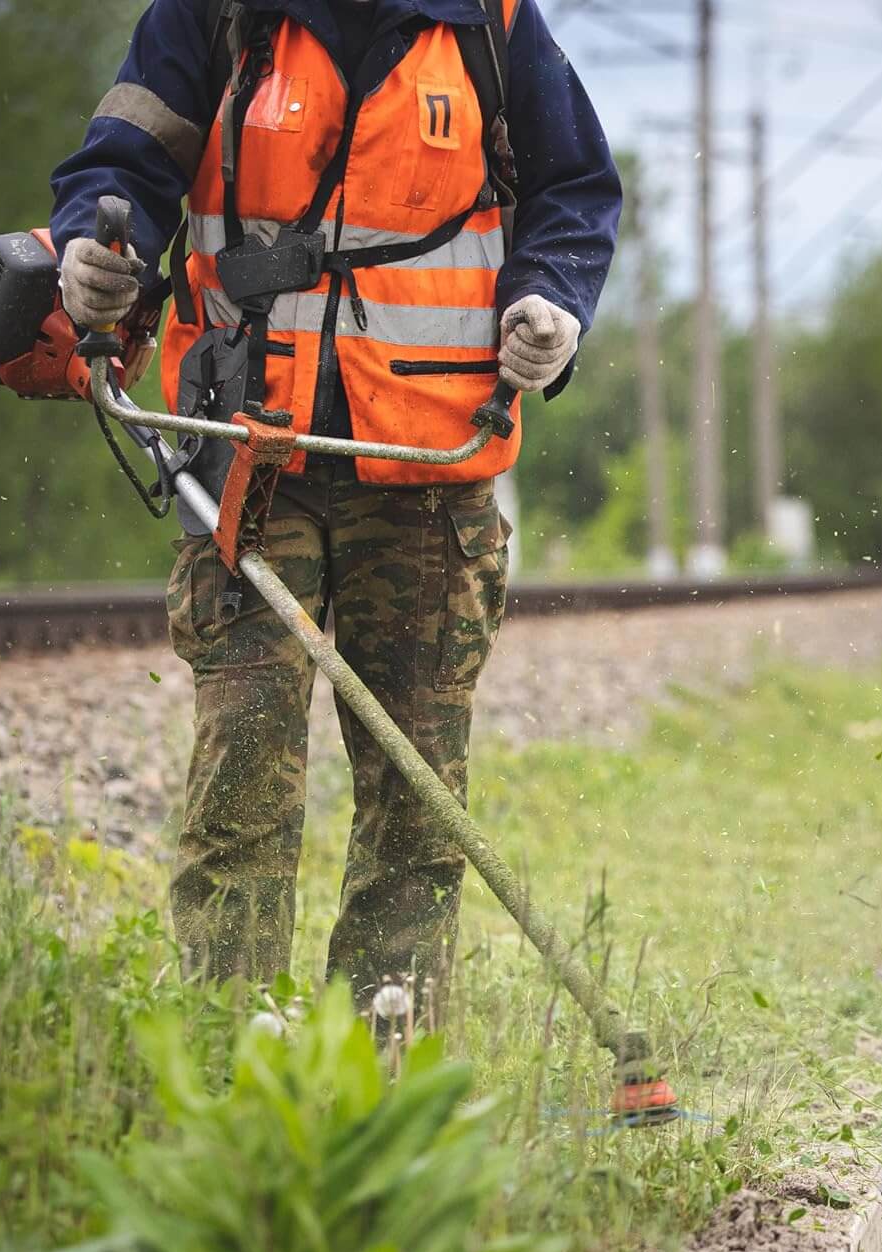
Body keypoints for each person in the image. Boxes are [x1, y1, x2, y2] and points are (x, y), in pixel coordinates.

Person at [49, 0, 621, 1015]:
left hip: (428, 461)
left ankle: (380, 1077)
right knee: (241, 794)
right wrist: (93, 248)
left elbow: (574, 188)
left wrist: (555, 300)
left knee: (417, 807)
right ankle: (229, 1066)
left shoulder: (490, 24)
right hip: (242, 450)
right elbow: (121, 166)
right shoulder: (212, 14)